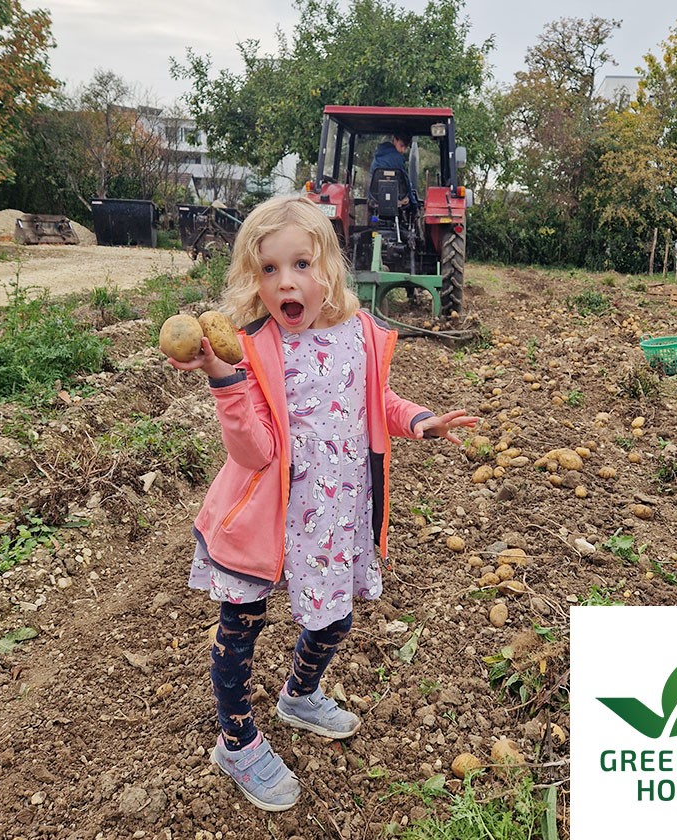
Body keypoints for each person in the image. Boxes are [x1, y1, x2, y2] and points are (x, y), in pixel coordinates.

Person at [165, 194, 477, 812]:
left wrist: (422, 421)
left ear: (329, 267)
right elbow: (253, 451)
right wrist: (222, 381)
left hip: (335, 514)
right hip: (268, 515)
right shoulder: (253, 348)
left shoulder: (359, 334)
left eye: (301, 264)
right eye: (271, 269)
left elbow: (376, 402)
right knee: (241, 626)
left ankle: (298, 695)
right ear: (254, 280)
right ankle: (236, 739)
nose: (288, 281)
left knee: (334, 618)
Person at [369, 132, 418, 209]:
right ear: (394, 140)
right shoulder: (398, 158)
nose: (403, 150)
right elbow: (405, 181)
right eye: (401, 146)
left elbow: (371, 179)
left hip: (375, 197)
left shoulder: (377, 156)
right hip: (396, 198)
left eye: (406, 147)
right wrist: (413, 201)